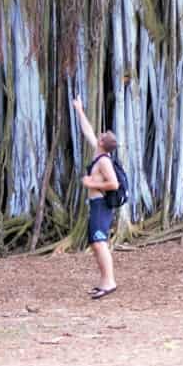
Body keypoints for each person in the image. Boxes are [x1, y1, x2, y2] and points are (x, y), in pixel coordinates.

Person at [71, 97, 119, 299]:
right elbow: (87, 131)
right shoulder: (98, 154)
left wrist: (92, 184)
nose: (98, 134)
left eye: (101, 135)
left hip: (101, 205)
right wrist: (79, 110)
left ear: (102, 143)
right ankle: (103, 281)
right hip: (95, 205)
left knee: (100, 243)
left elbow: (114, 184)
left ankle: (110, 282)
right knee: (95, 243)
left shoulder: (105, 162)